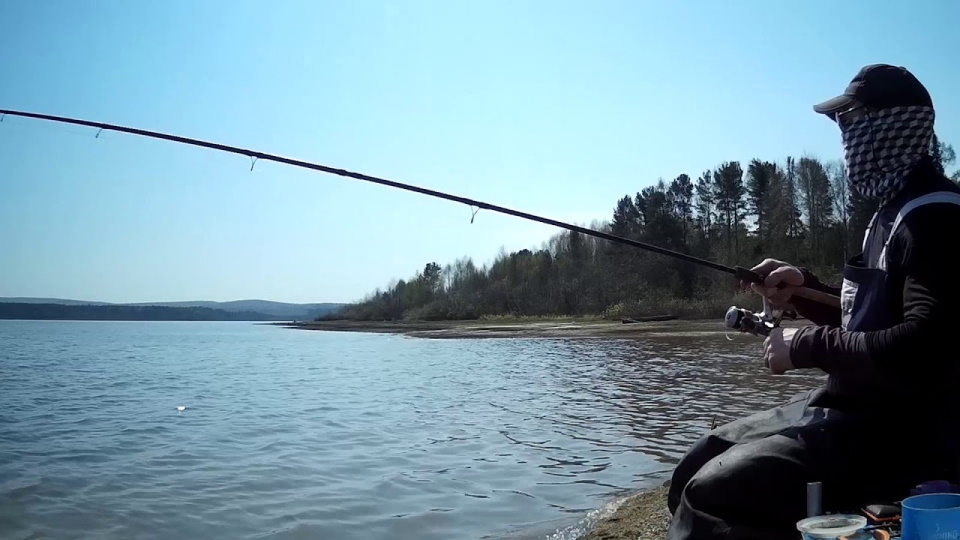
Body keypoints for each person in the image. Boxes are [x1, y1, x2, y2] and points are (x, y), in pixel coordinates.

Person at [666, 64, 960, 540]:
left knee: (711, 492)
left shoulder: (937, 219)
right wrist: (804, 289)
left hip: (906, 434)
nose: (846, 139)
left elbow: (927, 346)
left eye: (853, 122)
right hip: (853, 407)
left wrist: (806, 345)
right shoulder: (891, 212)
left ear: (895, 127)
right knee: (698, 461)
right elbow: (869, 321)